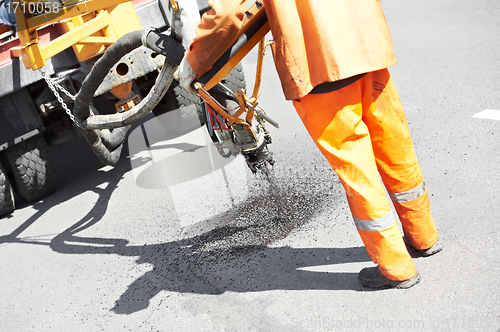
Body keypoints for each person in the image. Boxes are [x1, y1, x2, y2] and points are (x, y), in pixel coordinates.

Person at [174, 0, 442, 289]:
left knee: (356, 168)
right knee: (394, 146)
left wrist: (193, 61)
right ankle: (423, 236)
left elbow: (227, 12)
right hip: (366, 42)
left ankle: (396, 267)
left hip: (319, 62)